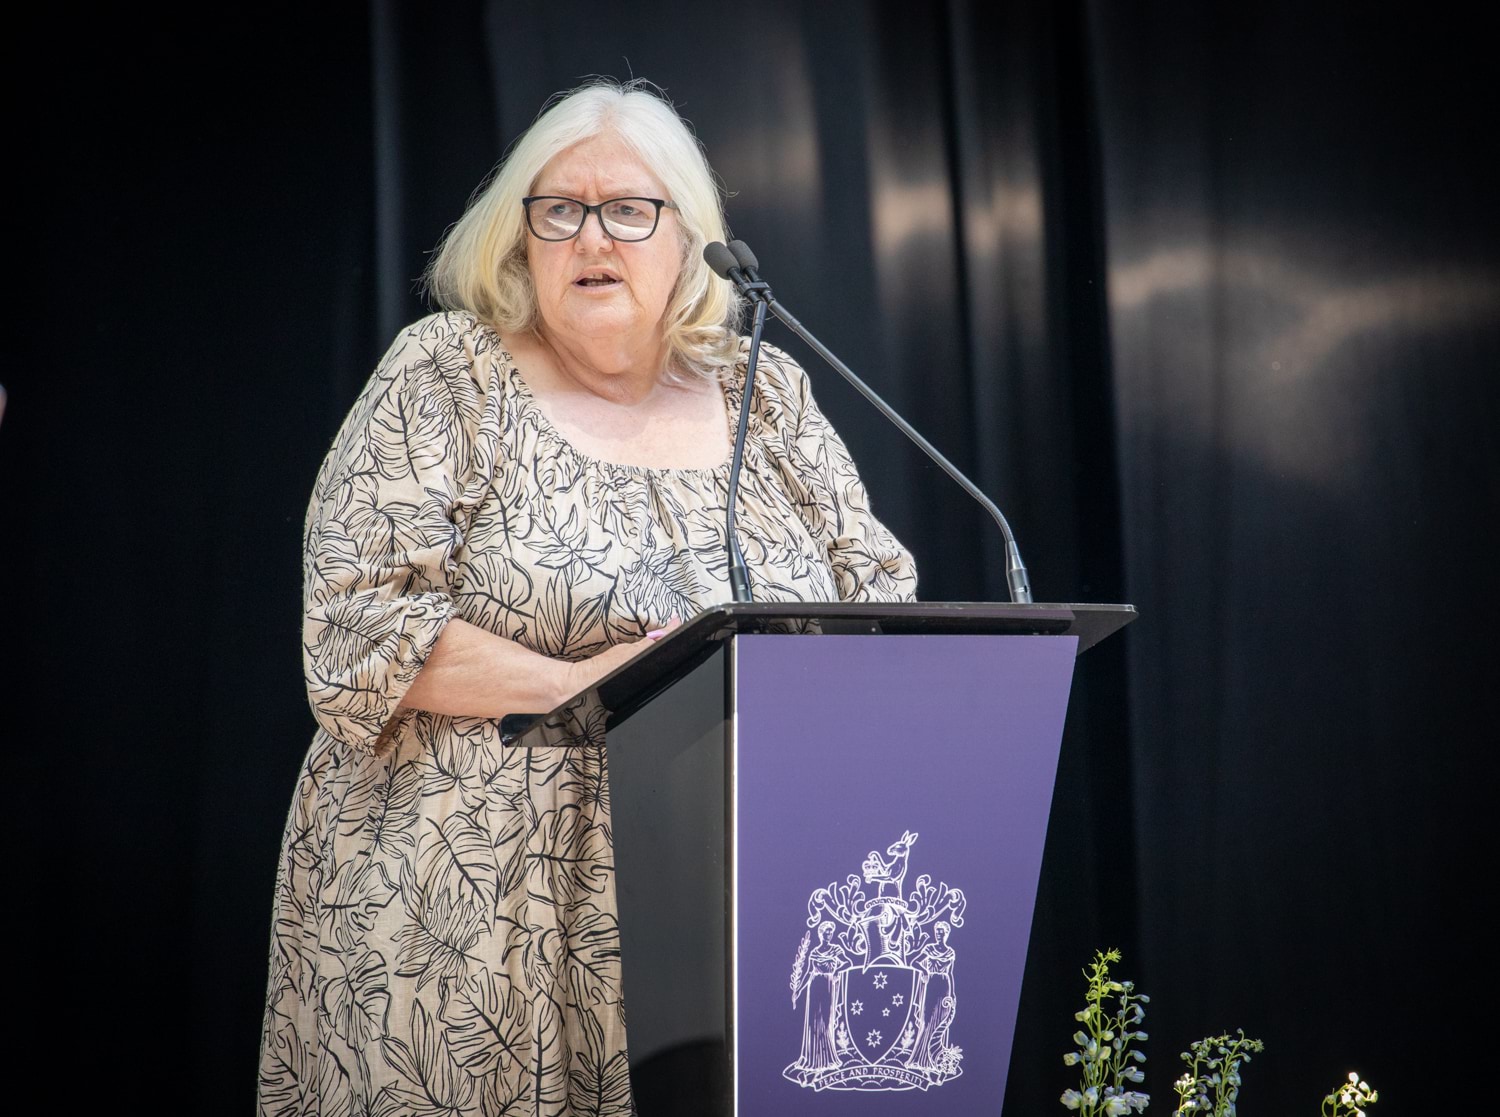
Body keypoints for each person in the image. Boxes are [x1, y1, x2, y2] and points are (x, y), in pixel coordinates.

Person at [257, 78, 917, 1115]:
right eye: (559, 210)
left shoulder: (768, 393)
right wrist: (591, 682)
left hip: (727, 894)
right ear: (520, 237)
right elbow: (356, 629)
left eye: (628, 211)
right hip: (471, 922)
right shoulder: (448, 376)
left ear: (692, 240)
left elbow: (879, 598)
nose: (590, 238)